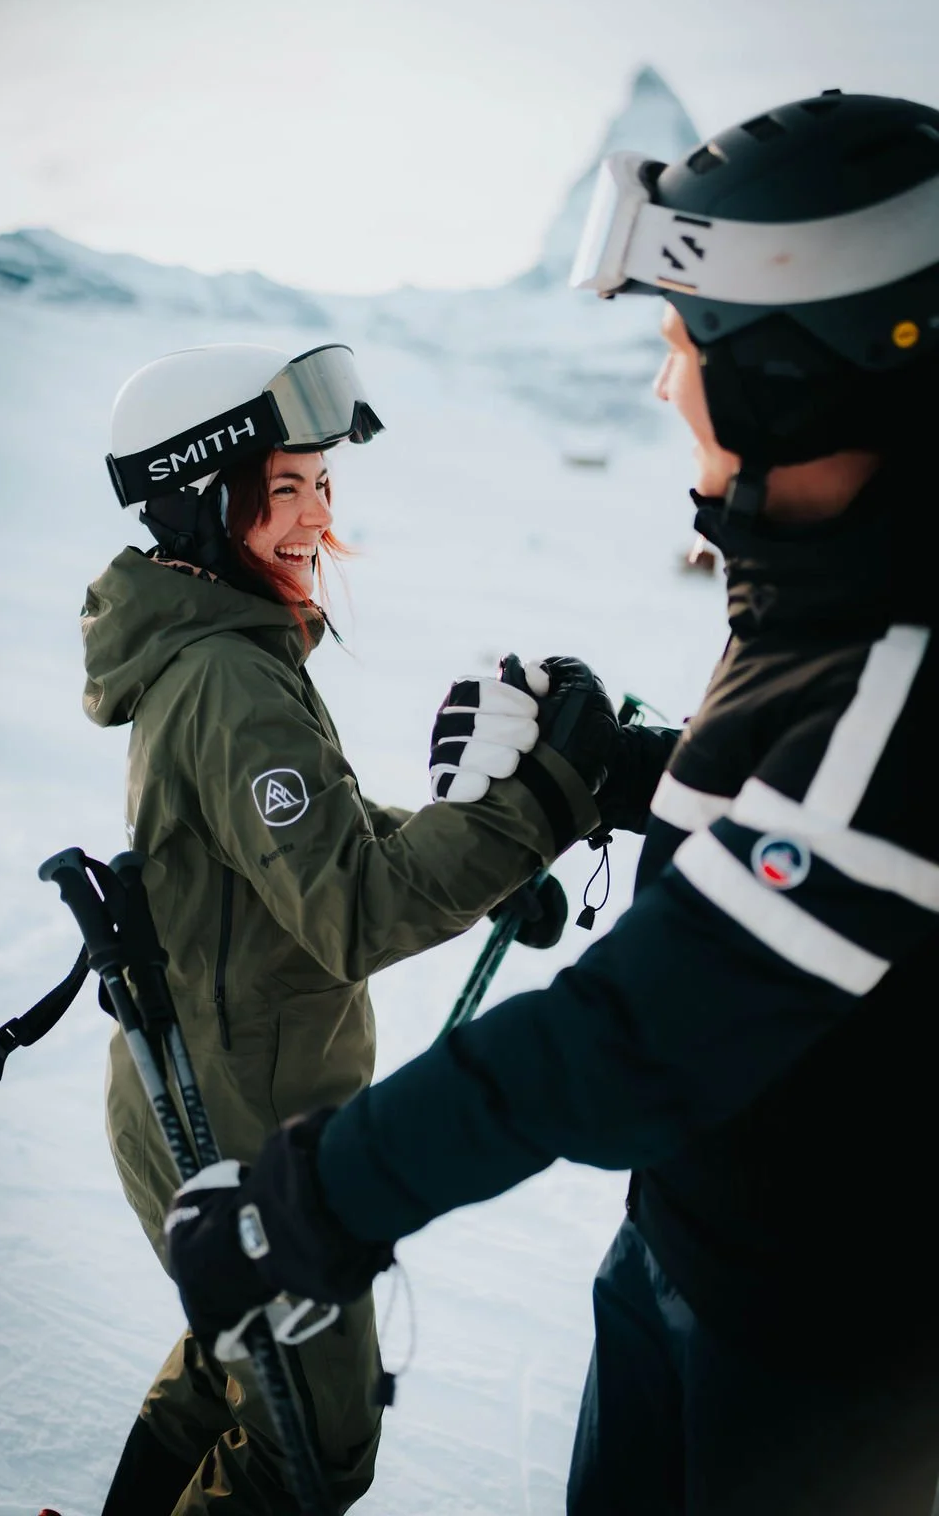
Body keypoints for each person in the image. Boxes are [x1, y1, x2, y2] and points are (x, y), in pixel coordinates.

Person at [165, 92, 939, 1515]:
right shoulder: (839, 588)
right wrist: (619, 767)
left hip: (825, 1365)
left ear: (791, 380)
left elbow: (636, 1033)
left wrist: (318, 1200)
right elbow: (801, 823)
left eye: (682, 345)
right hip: (701, 1248)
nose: (662, 387)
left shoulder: (902, 681)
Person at [84, 340, 608, 1514]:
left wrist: (489, 859)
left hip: (226, 1084)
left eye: (323, 484)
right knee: (310, 1450)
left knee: (238, 1366)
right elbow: (353, 911)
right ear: (198, 500)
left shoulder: (230, 647)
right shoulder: (229, 679)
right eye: (285, 489)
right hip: (231, 1115)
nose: (319, 518)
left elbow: (329, 837)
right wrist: (528, 812)